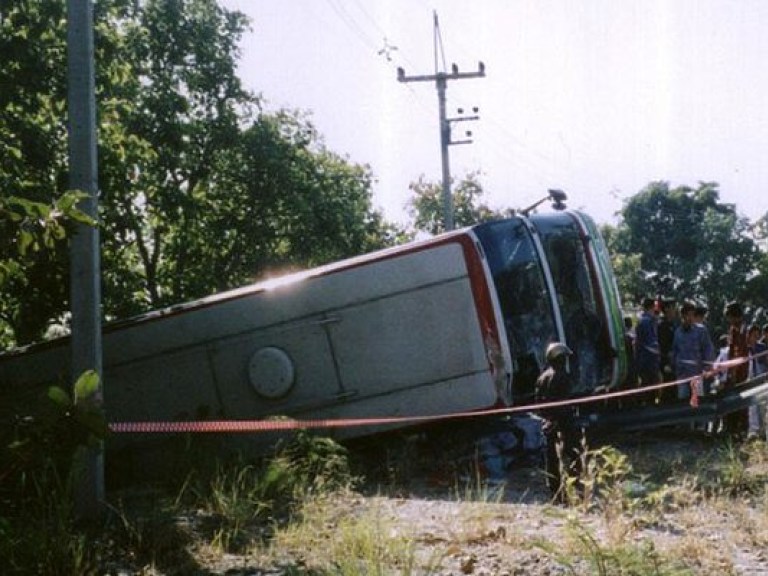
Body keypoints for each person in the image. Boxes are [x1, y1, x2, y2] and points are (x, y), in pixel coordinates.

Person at [535, 342, 580, 503]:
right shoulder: (562, 377)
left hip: (548, 422)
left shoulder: (542, 378)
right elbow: (565, 401)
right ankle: (576, 487)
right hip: (564, 421)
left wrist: (548, 419)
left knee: (552, 458)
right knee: (575, 453)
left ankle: (556, 492)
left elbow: (539, 403)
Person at [672, 301, 715, 402]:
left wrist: (707, 368)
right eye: (687, 315)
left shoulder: (701, 330)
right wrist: (674, 364)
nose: (690, 318)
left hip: (697, 374)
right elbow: (675, 351)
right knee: (682, 401)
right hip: (682, 374)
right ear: (682, 316)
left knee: (698, 401)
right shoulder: (677, 332)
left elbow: (708, 350)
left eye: (692, 315)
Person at [723, 301, 749, 436]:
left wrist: (733, 371)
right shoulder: (734, 330)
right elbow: (732, 352)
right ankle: (732, 427)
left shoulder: (744, 330)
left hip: (743, 371)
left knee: (741, 399)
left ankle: (741, 428)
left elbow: (741, 351)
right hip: (735, 370)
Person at [634, 297, 661, 403]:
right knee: (651, 391)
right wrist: (659, 352)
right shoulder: (647, 322)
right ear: (652, 307)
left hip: (643, 361)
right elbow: (651, 344)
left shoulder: (643, 321)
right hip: (649, 362)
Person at [747, 324, 768, 440]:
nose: (754, 338)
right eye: (752, 335)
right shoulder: (745, 348)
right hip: (748, 380)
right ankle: (753, 431)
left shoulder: (762, 348)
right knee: (751, 406)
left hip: (760, 379)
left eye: (757, 335)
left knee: (761, 406)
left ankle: (762, 431)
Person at [657, 299, 679, 402]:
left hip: (676, 363)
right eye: (673, 307)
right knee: (667, 391)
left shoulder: (675, 325)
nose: (675, 310)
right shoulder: (662, 325)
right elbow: (662, 346)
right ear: (666, 309)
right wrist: (665, 363)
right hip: (667, 364)